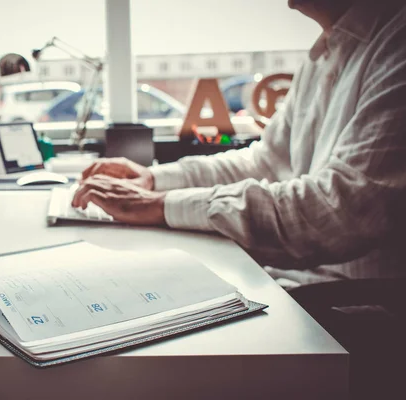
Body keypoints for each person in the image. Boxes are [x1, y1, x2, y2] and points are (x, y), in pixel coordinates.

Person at [72, 0, 406, 287]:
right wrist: (154, 180)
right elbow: (264, 162)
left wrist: (159, 205)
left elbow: (340, 209)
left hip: (354, 312)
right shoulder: (323, 55)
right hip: (295, 283)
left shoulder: (396, 44)